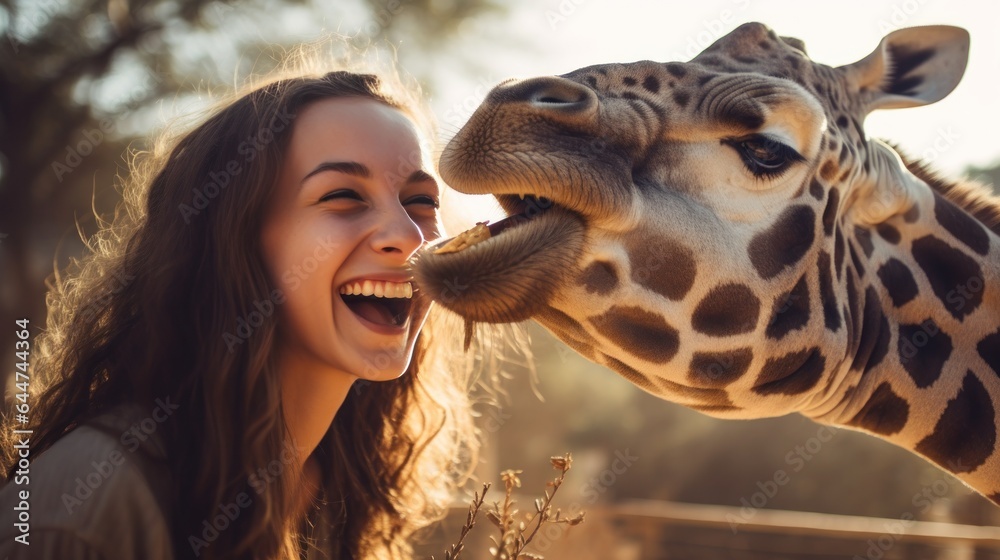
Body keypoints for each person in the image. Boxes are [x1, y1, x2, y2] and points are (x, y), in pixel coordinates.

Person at [0, 58, 477, 560]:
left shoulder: (342, 500)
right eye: (343, 195)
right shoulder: (89, 511)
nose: (408, 236)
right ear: (234, 240)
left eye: (421, 202)